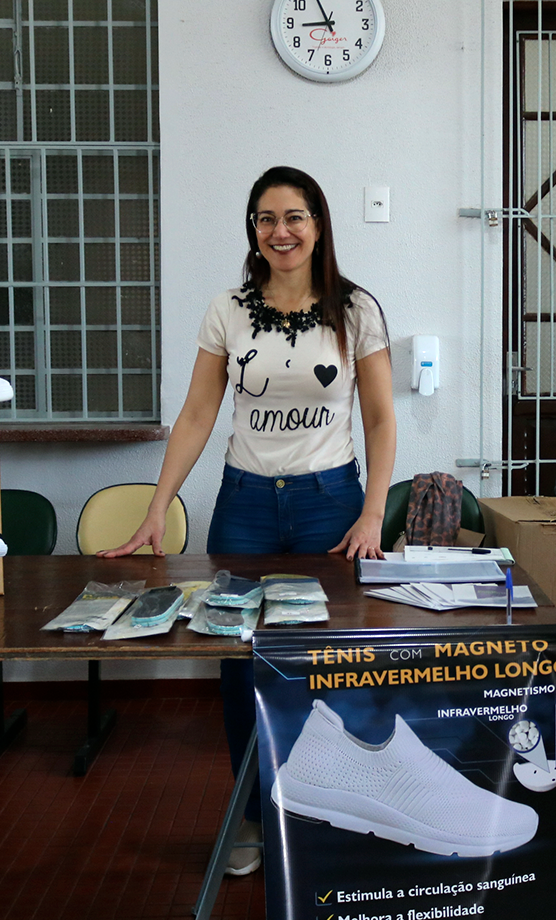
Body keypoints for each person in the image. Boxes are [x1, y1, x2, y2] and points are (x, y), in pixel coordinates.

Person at [100, 165, 396, 876]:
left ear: (318, 225)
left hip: (330, 505)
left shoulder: (355, 310)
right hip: (245, 508)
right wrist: (157, 505)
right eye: (266, 218)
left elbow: (382, 418)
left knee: (331, 664)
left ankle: (332, 809)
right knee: (240, 666)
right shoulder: (228, 309)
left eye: (294, 217)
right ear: (253, 229)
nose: (280, 231)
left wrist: (373, 512)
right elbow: (198, 414)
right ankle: (253, 816)